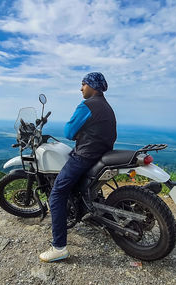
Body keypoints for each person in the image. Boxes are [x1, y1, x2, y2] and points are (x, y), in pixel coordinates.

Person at [39, 72, 117, 262]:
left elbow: (68, 131)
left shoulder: (87, 105)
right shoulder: (106, 106)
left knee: (56, 194)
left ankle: (59, 247)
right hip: (102, 154)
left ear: (92, 86)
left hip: (85, 156)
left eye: (83, 84)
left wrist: (77, 133)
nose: (80, 88)